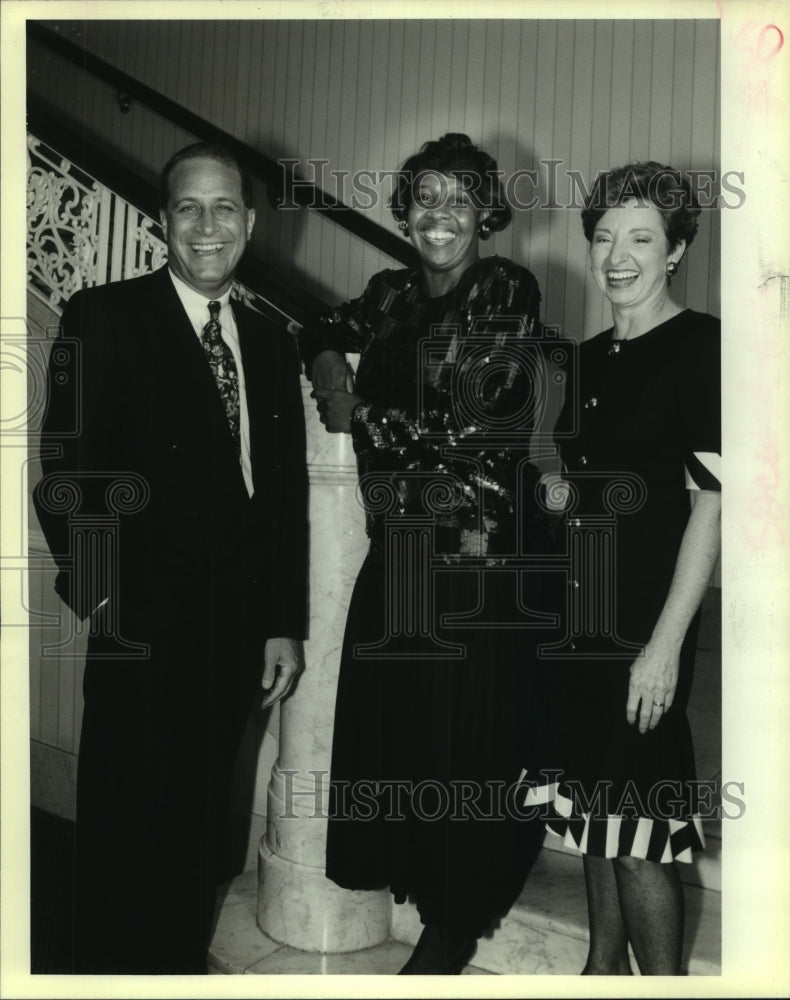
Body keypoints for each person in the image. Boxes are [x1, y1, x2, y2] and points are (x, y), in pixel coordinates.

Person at [33, 142, 308, 974]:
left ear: (251, 223)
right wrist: (103, 597)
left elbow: (284, 499)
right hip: (141, 626)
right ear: (162, 222)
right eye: (188, 207)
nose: (207, 225)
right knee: (126, 821)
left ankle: (176, 964)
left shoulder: (269, 343)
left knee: (197, 820)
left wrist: (282, 625)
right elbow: (66, 469)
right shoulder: (104, 316)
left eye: (224, 207)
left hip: (236, 636)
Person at [301, 133, 551, 974]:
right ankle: (420, 884)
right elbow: (321, 327)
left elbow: (469, 428)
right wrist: (338, 377)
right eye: (424, 197)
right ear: (404, 210)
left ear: (486, 212)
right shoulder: (390, 291)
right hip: (400, 545)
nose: (438, 214)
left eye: (459, 197)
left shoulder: (506, 287)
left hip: (474, 554)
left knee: (462, 743)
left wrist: (361, 417)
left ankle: (455, 922)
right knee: (401, 731)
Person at [537, 161, 721, 975]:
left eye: (641, 237)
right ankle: (601, 969)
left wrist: (664, 646)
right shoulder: (582, 361)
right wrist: (556, 490)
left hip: (646, 620)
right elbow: (590, 480)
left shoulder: (705, 347)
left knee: (639, 831)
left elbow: (711, 504)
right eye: (604, 236)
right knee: (593, 813)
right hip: (580, 615)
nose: (617, 254)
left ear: (676, 249)